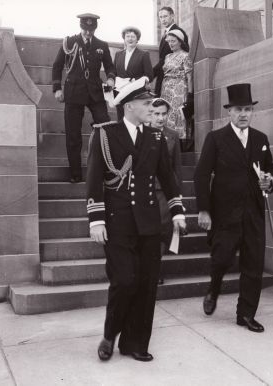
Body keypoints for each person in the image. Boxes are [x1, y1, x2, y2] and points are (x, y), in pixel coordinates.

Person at [87, 78, 186, 361]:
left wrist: (177, 211)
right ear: (129, 106)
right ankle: (110, 335)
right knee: (125, 280)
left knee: (146, 283)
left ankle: (136, 343)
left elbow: (167, 178)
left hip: (149, 223)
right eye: (145, 103)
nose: (150, 107)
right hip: (117, 223)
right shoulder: (105, 134)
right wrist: (96, 220)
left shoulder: (155, 137)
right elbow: (94, 179)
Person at [193, 83, 273, 333]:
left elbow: (271, 169)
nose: (244, 114)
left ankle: (246, 315)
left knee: (253, 265)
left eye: (248, 109)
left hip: (253, 213)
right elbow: (201, 175)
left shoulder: (261, 139)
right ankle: (214, 288)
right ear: (229, 112)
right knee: (221, 260)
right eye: (239, 109)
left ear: (252, 112)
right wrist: (204, 210)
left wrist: (269, 181)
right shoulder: (216, 138)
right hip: (225, 215)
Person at [52, 13, 115, 183]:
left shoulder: (102, 45)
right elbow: (57, 66)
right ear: (81, 27)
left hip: (95, 93)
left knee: (106, 128)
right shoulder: (69, 43)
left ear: (95, 28)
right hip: (73, 93)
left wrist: (110, 78)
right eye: (85, 29)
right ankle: (75, 174)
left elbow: (110, 66)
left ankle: (108, 171)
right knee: (73, 134)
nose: (88, 33)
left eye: (91, 29)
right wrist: (57, 89)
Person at [149, 98, 183, 284]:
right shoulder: (141, 133)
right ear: (150, 114)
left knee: (162, 229)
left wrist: (178, 194)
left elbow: (177, 167)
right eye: (156, 114)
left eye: (163, 114)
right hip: (145, 190)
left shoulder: (172, 136)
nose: (160, 118)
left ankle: (156, 269)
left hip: (164, 191)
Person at [113, 26, 153, 120]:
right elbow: (114, 72)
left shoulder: (143, 54)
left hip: (135, 94)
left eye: (133, 36)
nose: (130, 39)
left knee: (134, 120)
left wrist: (139, 81)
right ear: (124, 38)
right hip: (120, 93)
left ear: (137, 39)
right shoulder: (118, 54)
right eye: (127, 36)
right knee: (121, 120)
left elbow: (149, 75)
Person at [160, 29, 193, 140]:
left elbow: (189, 77)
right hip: (166, 89)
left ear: (180, 42)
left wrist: (190, 95)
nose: (170, 44)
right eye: (169, 41)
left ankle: (178, 142)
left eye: (173, 41)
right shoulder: (167, 57)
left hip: (179, 88)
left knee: (177, 114)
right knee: (166, 113)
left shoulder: (186, 56)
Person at [153, 6, 188, 97]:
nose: (163, 20)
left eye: (165, 16)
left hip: (175, 84)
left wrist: (150, 75)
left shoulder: (179, 32)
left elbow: (184, 56)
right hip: (164, 79)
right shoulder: (165, 34)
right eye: (160, 17)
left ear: (172, 16)